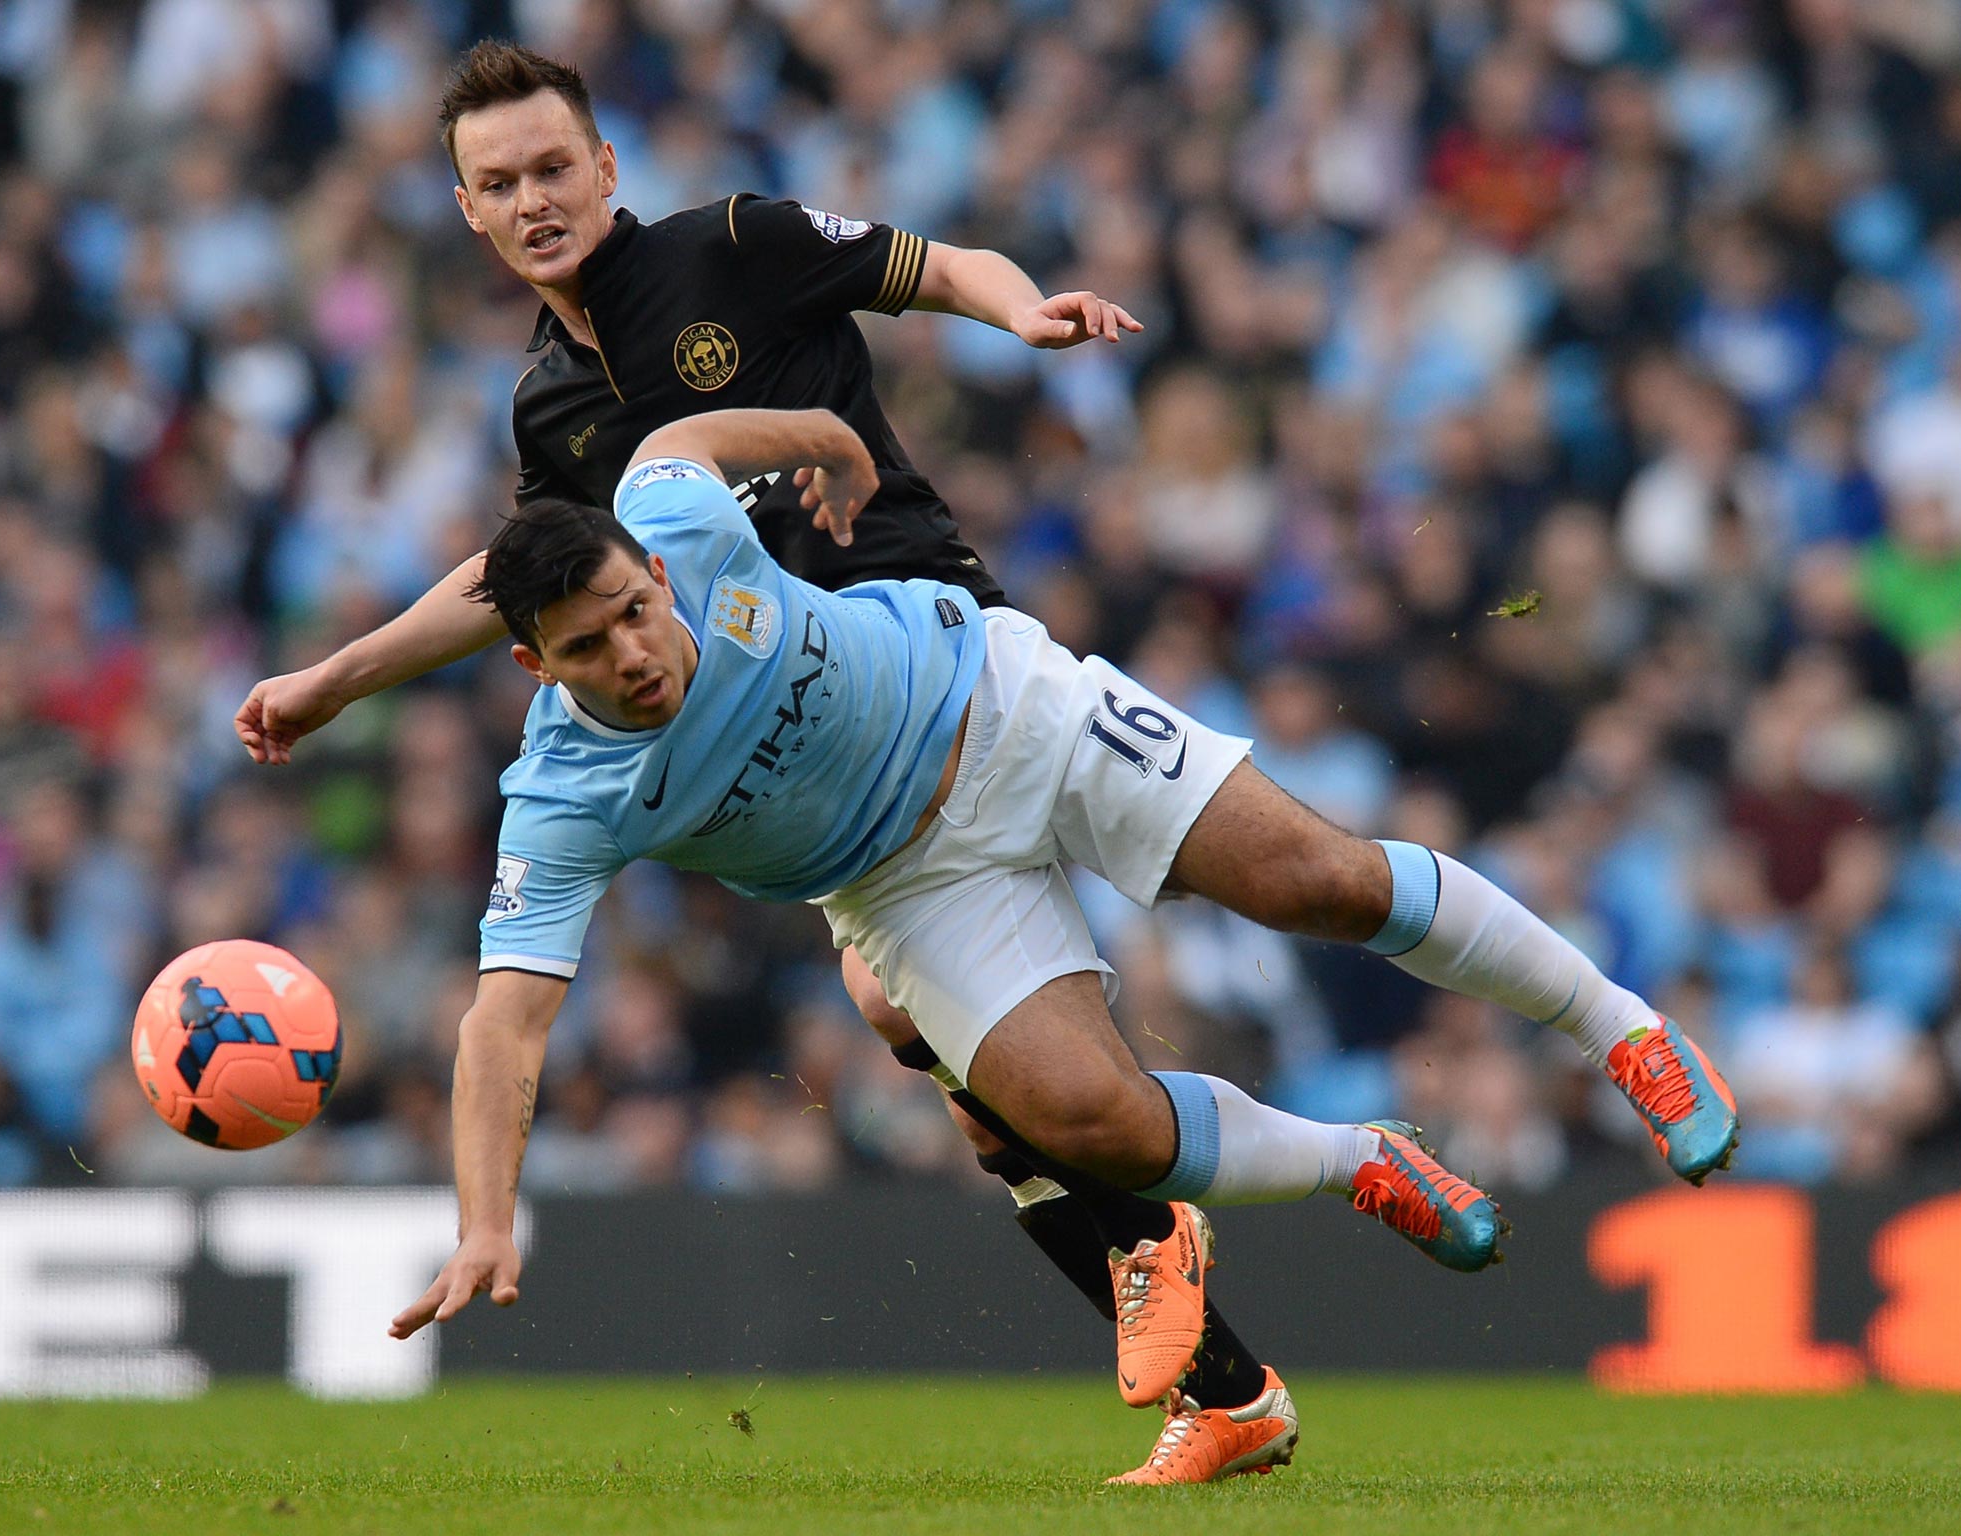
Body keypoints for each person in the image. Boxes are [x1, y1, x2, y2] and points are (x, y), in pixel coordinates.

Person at [234, 40, 1295, 1483]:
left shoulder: (731, 245)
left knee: (913, 1000)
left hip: (929, 637)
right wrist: (337, 678)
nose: (535, 197)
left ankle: (1192, 1260)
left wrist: (1019, 312)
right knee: (926, 1043)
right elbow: (523, 576)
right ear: (468, 209)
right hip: (804, 724)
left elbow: (925, 262)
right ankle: (1213, 1366)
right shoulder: (550, 410)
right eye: (502, 183)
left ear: (605, 168)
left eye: (555, 167)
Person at [378, 406, 1738, 1436]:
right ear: (531, 666)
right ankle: (1358, 1159)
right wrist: (488, 1223)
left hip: (1008, 707)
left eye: (631, 613)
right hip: (912, 885)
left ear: (654, 576)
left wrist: (837, 450)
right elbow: (505, 1025)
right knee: (1102, 1130)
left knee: (1323, 883)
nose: (631, 654)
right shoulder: (560, 800)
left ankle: (1626, 1033)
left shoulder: (674, 513)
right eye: (587, 651)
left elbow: (704, 432)